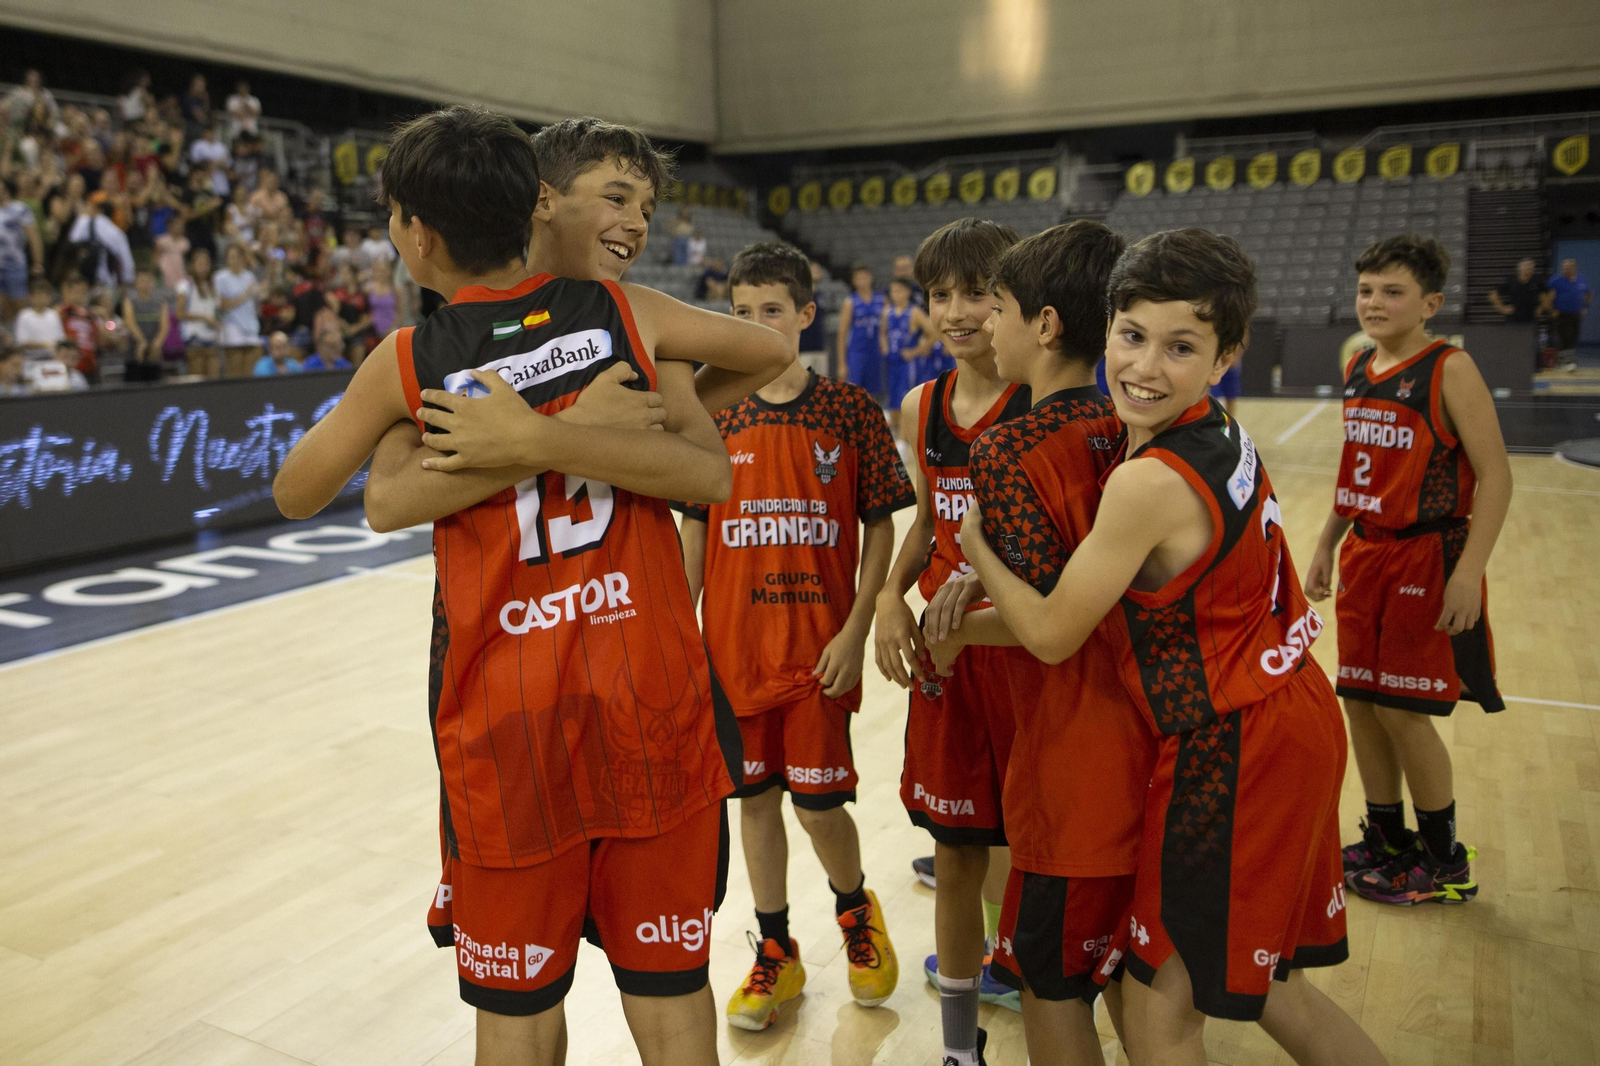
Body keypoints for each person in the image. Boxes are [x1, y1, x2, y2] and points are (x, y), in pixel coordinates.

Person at [270, 106, 791, 1066]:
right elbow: (760, 372)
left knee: (514, 1016)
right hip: (651, 705)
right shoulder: (629, 322)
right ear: (535, 206)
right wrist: (596, 430)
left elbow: (307, 490)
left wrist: (494, 443)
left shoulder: (409, 361)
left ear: (416, 235)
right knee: (673, 1000)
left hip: (508, 726)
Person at [957, 228, 1385, 1066]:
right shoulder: (1211, 428)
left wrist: (975, 550)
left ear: (1225, 357)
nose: (1145, 367)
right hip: (1286, 711)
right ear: (1105, 327)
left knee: (1159, 1014)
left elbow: (1049, 633)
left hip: (1237, 744)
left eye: (1179, 347)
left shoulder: (1143, 481)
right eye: (1132, 336)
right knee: (1269, 987)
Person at [920, 221, 1155, 1066]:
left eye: (1001, 306)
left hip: (1064, 743)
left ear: (1045, 323)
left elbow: (1048, 624)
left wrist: (961, 594)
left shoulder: (1011, 447)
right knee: (1130, 972)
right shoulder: (1131, 426)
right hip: (1151, 724)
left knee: (1052, 987)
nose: (985, 321)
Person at [679, 242, 912, 1033]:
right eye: (739, 314)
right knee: (754, 803)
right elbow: (696, 525)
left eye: (769, 311)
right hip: (732, 654)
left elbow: (880, 524)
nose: (753, 326)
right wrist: (682, 630)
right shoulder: (712, 411)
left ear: (805, 316)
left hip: (819, 651)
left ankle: (855, 913)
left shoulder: (849, 411)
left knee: (818, 808)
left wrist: (858, 622)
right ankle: (775, 951)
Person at [1304, 234, 1511, 908]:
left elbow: (1497, 476)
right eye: (1366, 290)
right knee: (1360, 699)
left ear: (1430, 303)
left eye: (1392, 291)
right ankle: (1387, 838)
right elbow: (1356, 465)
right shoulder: (1360, 365)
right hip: (1367, 550)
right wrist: (1327, 542)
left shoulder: (1449, 368)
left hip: (1428, 553)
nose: (1374, 302)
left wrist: (1467, 573)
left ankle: (1445, 857)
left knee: (1403, 708)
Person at [872, 219, 1030, 1066]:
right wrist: (891, 599)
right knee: (957, 841)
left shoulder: (1045, 403)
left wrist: (981, 577)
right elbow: (929, 522)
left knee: (1022, 837)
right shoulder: (922, 405)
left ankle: (1019, 965)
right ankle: (961, 1045)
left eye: (980, 292)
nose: (959, 311)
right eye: (943, 295)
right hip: (946, 659)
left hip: (1020, 648)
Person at [879, 275, 933, 424]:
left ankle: (905, 440)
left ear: (907, 292)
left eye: (899, 291)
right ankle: (898, 437)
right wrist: (884, 347)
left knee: (906, 399)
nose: (895, 294)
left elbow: (935, 333)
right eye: (893, 291)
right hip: (891, 362)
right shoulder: (886, 312)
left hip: (908, 364)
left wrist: (917, 351)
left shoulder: (914, 312)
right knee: (891, 400)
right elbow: (883, 333)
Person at [836, 263, 886, 400]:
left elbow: (886, 329)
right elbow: (842, 334)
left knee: (875, 394)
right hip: (857, 352)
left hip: (875, 353)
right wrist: (841, 363)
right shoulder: (850, 302)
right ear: (854, 281)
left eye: (865, 277)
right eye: (859, 278)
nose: (862, 281)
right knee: (854, 392)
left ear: (871, 278)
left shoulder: (881, 300)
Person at [214, 242, 262, 377]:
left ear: (242, 258)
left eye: (236, 257)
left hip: (251, 326)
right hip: (232, 327)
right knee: (235, 372)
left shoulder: (250, 277)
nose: (233, 260)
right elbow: (223, 306)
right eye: (230, 257)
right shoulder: (220, 278)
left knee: (251, 371)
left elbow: (256, 302)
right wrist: (244, 295)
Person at [0, 177, 45, 319]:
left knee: (20, 307)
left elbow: (33, 237)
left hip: (15, 264)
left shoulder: (20, 209)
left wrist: (38, 262)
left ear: (7, 191)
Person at [176, 247, 221, 377]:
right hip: (194, 337)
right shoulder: (185, 285)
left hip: (211, 336)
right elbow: (180, 313)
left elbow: (216, 310)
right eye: (200, 264)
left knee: (213, 377)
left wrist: (215, 321)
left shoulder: (212, 287)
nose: (203, 267)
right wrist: (204, 318)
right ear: (193, 265)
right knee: (197, 378)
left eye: (206, 264)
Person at [122, 265, 171, 372]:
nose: (144, 284)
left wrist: (157, 342)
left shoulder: (160, 302)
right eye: (141, 281)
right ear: (136, 283)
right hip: (134, 350)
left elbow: (165, 326)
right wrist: (141, 341)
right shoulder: (130, 300)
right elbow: (129, 322)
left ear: (152, 281)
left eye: (147, 280)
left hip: (154, 350)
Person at [1545, 257, 1591, 372]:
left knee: (1573, 336)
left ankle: (1569, 360)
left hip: (1575, 313)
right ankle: (1564, 362)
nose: (1565, 269)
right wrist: (1552, 310)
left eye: (1568, 267)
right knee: (1563, 337)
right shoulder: (1556, 280)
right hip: (1561, 313)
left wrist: (1585, 307)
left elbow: (1588, 294)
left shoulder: (1582, 279)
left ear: (1574, 268)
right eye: (1564, 267)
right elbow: (1549, 297)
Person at [57, 275, 100, 383]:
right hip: (71, 363)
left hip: (89, 363)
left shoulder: (90, 315)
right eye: (77, 291)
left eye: (83, 292)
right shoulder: (63, 311)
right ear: (68, 292)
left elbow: (98, 337)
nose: (80, 295)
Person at [15, 279, 66, 358]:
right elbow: (22, 342)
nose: (41, 299)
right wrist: (43, 345)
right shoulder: (24, 315)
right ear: (31, 297)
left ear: (50, 297)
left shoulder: (54, 315)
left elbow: (60, 339)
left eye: (44, 295)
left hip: (52, 358)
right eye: (38, 295)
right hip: (30, 358)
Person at [1488, 257, 1543, 323]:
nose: (1531, 270)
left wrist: (1541, 307)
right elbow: (1493, 295)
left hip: (1531, 318)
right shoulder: (1511, 281)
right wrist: (1502, 308)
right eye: (1528, 268)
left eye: (1532, 268)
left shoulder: (1536, 281)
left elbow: (1546, 294)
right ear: (1520, 269)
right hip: (1514, 319)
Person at [25, 339, 90, 392]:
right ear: (55, 355)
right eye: (65, 356)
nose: (69, 361)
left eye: (74, 358)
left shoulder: (78, 378)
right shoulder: (41, 371)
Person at [366, 255, 402, 339]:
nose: (382, 273)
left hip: (391, 329)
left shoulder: (396, 289)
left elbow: (400, 313)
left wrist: (392, 329)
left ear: (389, 271)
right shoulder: (369, 288)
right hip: (372, 329)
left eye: (384, 270)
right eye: (379, 271)